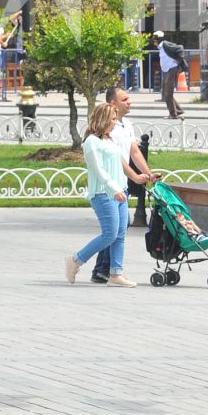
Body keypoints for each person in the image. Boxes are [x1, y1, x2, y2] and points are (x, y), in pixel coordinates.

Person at [65, 102, 135, 287]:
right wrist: (114, 189)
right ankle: (75, 260)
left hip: (120, 192)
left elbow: (118, 165)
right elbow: (99, 170)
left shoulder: (108, 140)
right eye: (112, 119)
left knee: (120, 235)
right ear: (103, 119)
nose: (114, 122)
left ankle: (116, 273)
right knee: (110, 234)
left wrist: (130, 181)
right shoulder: (91, 142)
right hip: (104, 194)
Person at [91, 87, 156, 283]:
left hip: (121, 182)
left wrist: (148, 173)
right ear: (113, 104)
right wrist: (135, 176)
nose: (130, 102)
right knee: (115, 228)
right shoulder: (105, 131)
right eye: (125, 99)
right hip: (109, 184)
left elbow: (134, 152)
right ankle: (99, 267)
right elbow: (118, 159)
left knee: (119, 226)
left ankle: (104, 269)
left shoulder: (126, 124)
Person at [156, 31, 189, 119]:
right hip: (167, 71)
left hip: (172, 70)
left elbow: (180, 48)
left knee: (168, 94)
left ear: (157, 40)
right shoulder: (161, 47)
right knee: (166, 93)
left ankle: (173, 114)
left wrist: (179, 60)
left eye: (154, 40)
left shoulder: (165, 44)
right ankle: (178, 110)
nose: (154, 42)